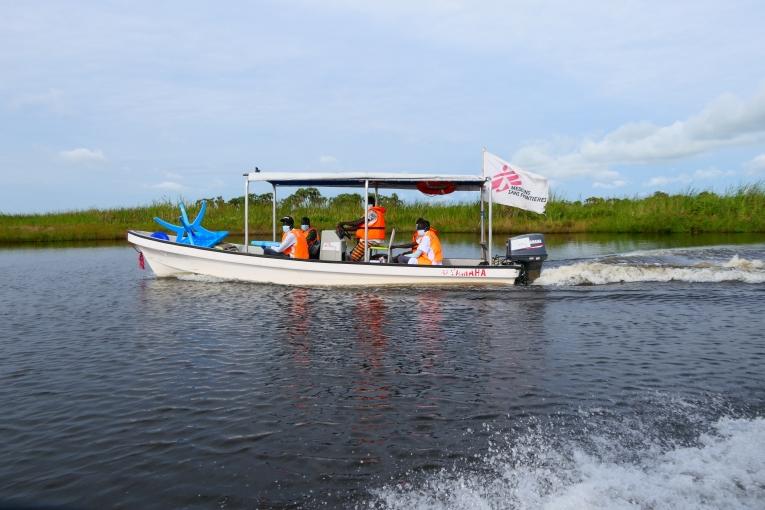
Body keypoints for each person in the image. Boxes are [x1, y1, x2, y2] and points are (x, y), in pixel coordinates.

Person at [336, 196, 387, 261]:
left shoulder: (373, 213)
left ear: (369, 204)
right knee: (352, 253)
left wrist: (343, 223)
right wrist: (345, 229)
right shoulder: (371, 213)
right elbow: (358, 227)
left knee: (352, 258)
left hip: (371, 240)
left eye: (365, 203)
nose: (363, 205)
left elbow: (357, 223)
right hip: (369, 239)